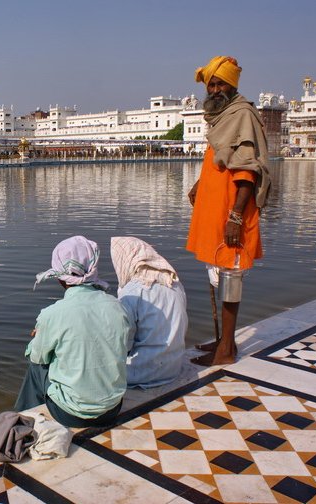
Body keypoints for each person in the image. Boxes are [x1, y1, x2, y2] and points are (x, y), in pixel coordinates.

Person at [186, 56, 271, 366]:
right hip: (216, 209)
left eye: (220, 82)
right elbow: (221, 158)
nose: (214, 88)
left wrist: (236, 215)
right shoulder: (222, 116)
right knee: (220, 272)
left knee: (232, 276)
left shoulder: (243, 115)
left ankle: (226, 352)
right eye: (211, 83)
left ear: (232, 85)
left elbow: (247, 171)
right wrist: (199, 183)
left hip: (232, 213)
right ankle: (224, 341)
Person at [14, 236, 135, 428]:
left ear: (60, 279)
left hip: (70, 414)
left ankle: (24, 420)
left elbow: (37, 357)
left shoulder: (53, 313)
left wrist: (40, 336)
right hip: (112, 409)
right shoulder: (118, 307)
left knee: (37, 368)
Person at [110, 236, 187, 388]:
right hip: (173, 368)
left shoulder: (133, 291)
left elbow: (124, 343)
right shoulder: (174, 283)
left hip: (142, 372)